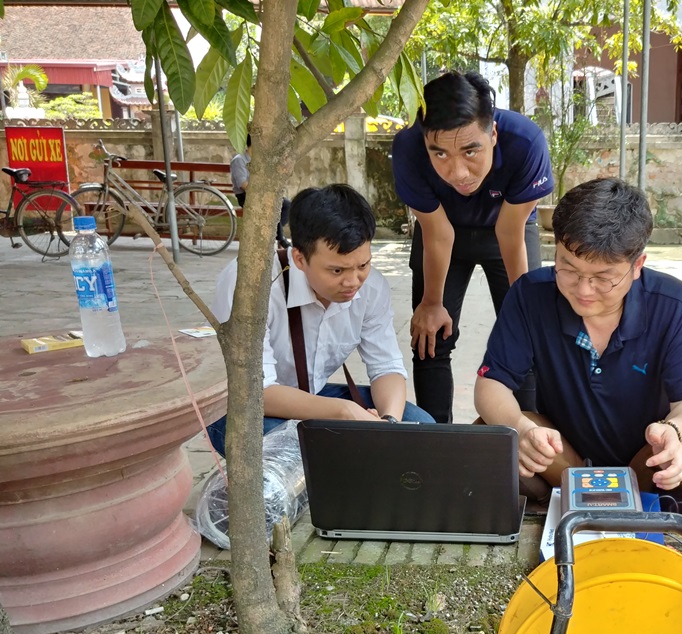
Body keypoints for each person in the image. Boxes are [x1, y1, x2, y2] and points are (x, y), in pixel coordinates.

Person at [473, 178, 682, 526]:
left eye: (603, 277)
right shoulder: (530, 295)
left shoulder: (676, 305)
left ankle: (663, 530)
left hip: (642, 463)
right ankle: (546, 516)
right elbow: (492, 384)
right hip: (561, 460)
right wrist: (520, 425)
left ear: (637, 265)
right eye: (568, 268)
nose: (583, 290)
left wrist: (675, 432)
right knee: (493, 435)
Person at [206, 184, 433, 455]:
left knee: (421, 428)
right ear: (300, 258)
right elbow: (255, 391)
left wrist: (388, 424)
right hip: (248, 410)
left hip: (314, 399)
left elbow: (386, 367)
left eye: (363, 265)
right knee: (298, 456)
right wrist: (345, 413)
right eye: (336, 270)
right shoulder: (250, 284)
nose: (353, 281)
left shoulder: (371, 287)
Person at [392, 70, 554, 423]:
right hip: (443, 229)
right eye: (440, 155)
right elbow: (438, 233)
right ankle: (436, 440)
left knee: (526, 337)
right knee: (429, 336)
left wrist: (523, 309)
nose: (458, 172)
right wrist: (431, 302)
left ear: (492, 133)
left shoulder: (526, 143)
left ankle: (527, 436)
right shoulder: (407, 149)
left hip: (508, 228)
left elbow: (509, 233)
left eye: (471, 151)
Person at [231, 133, 291, 249]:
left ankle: (271, 232)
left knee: (288, 206)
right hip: (246, 195)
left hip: (263, 194)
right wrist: (263, 194)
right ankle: (280, 238)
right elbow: (243, 184)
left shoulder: (261, 159)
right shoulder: (239, 160)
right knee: (271, 205)